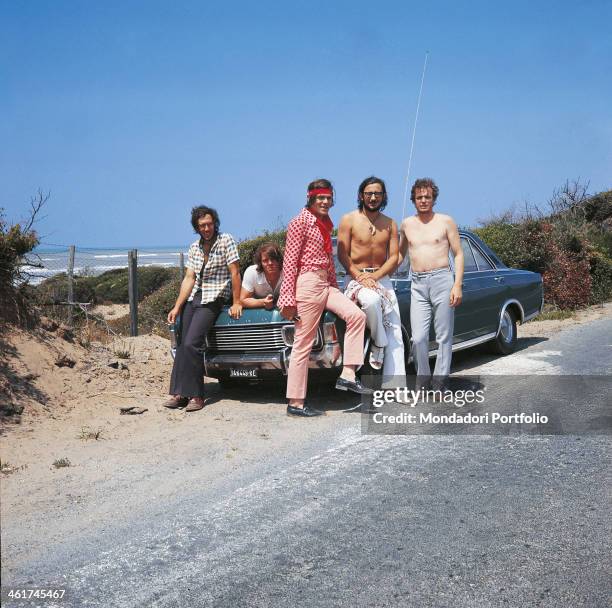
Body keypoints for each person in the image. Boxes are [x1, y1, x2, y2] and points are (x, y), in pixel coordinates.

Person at [278, 178, 370, 417]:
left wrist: (334, 286)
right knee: (302, 344)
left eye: (329, 198)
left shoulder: (325, 223)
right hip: (307, 283)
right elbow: (289, 261)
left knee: (357, 316)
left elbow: (329, 260)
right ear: (311, 198)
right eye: (321, 198)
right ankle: (295, 403)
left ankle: (348, 373)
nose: (326, 202)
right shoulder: (299, 222)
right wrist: (287, 298)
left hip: (325, 284)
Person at [164, 206, 242, 412]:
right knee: (182, 344)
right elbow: (189, 278)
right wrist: (177, 306)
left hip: (214, 297)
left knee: (192, 343)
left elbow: (235, 273)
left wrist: (237, 302)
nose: (206, 228)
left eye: (209, 224)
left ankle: (196, 395)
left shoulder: (226, 241)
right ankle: (179, 393)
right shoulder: (194, 247)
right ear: (196, 228)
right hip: (194, 297)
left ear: (215, 223)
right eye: (201, 226)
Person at [398, 178, 464, 389]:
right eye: (419, 197)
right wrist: (377, 273)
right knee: (417, 338)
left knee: (444, 336)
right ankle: (423, 379)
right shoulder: (407, 224)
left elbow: (459, 253)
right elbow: (398, 257)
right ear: (414, 200)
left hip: (442, 280)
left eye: (427, 197)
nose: (423, 200)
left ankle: (439, 382)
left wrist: (457, 284)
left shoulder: (446, 221)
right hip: (417, 284)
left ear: (434, 198)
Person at [337, 176, 405, 381]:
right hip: (355, 278)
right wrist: (360, 276)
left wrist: (375, 277)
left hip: (381, 278)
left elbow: (394, 257)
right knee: (371, 300)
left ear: (383, 196)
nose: (373, 197)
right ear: (361, 195)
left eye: (377, 193)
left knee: (396, 331)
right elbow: (342, 254)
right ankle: (379, 342)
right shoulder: (348, 219)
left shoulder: (391, 224)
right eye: (369, 193)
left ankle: (396, 387)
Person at [240, 242, 284, 309]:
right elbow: (243, 300)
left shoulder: (288, 271)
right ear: (260, 263)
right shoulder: (251, 272)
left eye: (273, 259)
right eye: (265, 260)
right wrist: (263, 302)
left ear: (279, 260)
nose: (270, 263)